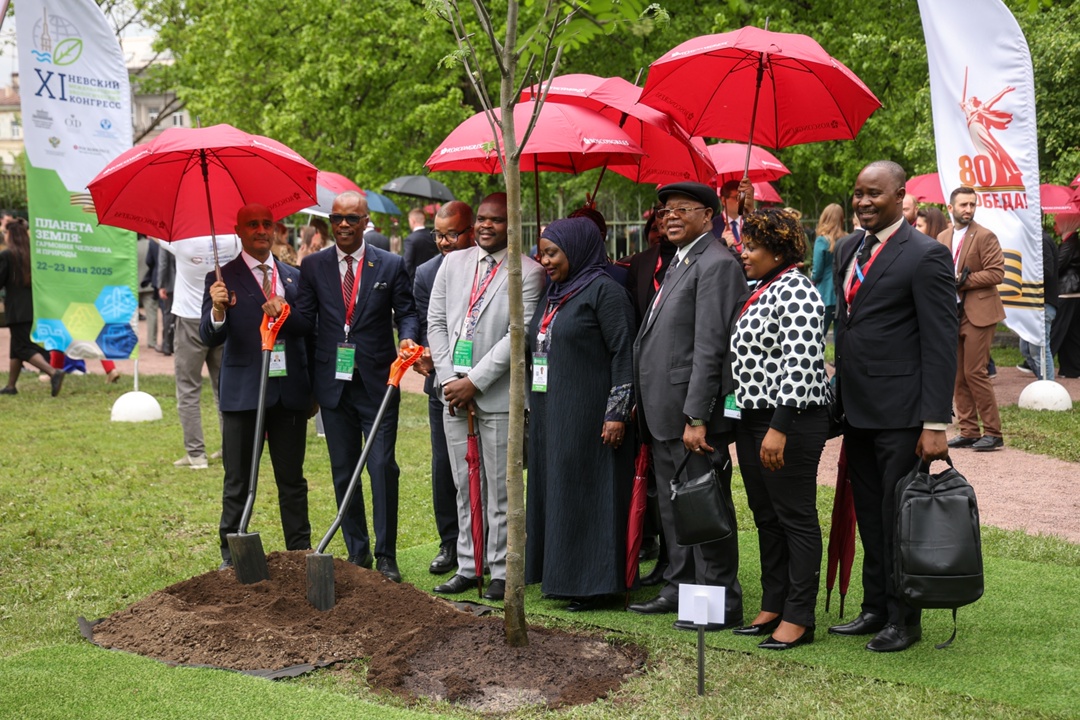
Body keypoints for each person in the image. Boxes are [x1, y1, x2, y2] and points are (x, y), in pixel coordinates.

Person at [829, 161, 957, 652]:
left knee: (898, 517)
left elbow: (941, 343)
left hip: (903, 417)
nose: (863, 201)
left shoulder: (924, 255)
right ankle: (875, 607)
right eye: (858, 193)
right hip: (856, 413)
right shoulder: (847, 248)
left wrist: (934, 422)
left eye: (874, 194)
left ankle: (905, 619)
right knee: (870, 514)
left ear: (901, 196)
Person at [629, 181, 748, 631]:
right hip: (662, 413)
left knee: (703, 507)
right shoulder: (680, 261)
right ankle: (679, 588)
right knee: (677, 508)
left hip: (691, 417)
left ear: (708, 215)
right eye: (665, 211)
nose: (670, 216)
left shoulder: (716, 264)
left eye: (682, 209)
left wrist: (697, 416)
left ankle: (717, 601)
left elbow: (711, 347)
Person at [294, 191, 419, 583]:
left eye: (351, 218)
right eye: (336, 218)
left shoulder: (391, 263)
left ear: (367, 222)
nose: (343, 225)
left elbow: (408, 312)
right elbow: (304, 322)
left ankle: (386, 557)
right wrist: (282, 311)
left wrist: (408, 338)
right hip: (333, 386)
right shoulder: (313, 266)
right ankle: (358, 552)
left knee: (382, 467)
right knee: (343, 470)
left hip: (378, 382)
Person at [427, 192, 545, 602]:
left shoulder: (528, 272)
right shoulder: (452, 263)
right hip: (452, 396)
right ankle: (467, 565)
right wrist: (448, 380)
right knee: (464, 486)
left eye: (495, 220)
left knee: (499, 489)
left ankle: (500, 569)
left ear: (512, 225)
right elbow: (437, 323)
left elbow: (520, 334)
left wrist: (473, 382)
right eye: (480, 219)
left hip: (497, 396)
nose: (485, 226)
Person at [730, 209, 831, 650]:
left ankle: (800, 616)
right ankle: (773, 602)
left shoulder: (798, 290)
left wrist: (779, 427)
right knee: (766, 516)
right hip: (753, 419)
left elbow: (801, 361)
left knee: (796, 517)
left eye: (751, 246)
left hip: (788, 421)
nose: (743, 251)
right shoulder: (762, 286)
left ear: (777, 250)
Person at [525, 217, 636, 610]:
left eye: (552, 252)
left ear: (577, 249)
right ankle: (561, 577)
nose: (545, 260)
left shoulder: (604, 292)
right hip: (550, 413)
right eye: (542, 252)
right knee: (559, 492)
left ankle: (595, 583)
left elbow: (625, 353)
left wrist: (617, 413)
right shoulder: (554, 293)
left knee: (590, 494)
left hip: (591, 416)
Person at [199, 204, 312, 570]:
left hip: (289, 391)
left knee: (292, 481)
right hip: (243, 393)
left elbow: (308, 327)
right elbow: (208, 335)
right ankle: (231, 556)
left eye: (267, 224)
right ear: (238, 230)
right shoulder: (220, 278)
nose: (261, 230)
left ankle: (300, 553)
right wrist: (218, 312)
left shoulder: (293, 277)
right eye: (253, 225)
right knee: (237, 481)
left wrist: (286, 313)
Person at [411, 200, 475, 575]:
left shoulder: (494, 270)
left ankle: (487, 543)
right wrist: (425, 354)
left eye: (452, 234)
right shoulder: (425, 273)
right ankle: (450, 542)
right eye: (439, 234)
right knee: (445, 467)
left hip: (485, 382)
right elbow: (423, 323)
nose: (445, 242)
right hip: (444, 386)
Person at [624, 207, 675, 584]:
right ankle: (655, 548)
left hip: (675, 389)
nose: (660, 231)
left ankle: (678, 564)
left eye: (665, 225)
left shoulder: (696, 263)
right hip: (643, 381)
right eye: (654, 226)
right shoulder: (639, 265)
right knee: (652, 477)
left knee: (679, 486)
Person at [159, 234, 241, 468]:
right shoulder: (233, 238)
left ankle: (196, 454)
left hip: (190, 319)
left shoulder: (180, 239)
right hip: (220, 317)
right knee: (225, 389)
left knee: (188, 389)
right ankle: (230, 450)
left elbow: (154, 230)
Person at [938, 186, 1005, 452]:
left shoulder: (985, 236)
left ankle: (993, 432)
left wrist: (961, 282)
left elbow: (996, 273)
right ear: (950, 208)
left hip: (980, 312)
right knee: (957, 375)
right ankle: (968, 430)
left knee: (974, 372)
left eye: (972, 205)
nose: (968, 209)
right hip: (951, 313)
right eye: (963, 205)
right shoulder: (942, 236)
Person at [0, 219, 64, 396]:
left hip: (17, 310)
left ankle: (53, 372)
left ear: (12, 235)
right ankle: (11, 386)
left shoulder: (7, 255)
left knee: (22, 347)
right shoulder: (32, 255)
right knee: (16, 348)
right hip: (33, 308)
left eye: (5, 233)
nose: (4, 236)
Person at [1018, 230, 1059, 379]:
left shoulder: (1043, 241)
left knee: (1040, 350)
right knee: (1027, 349)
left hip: (1043, 304)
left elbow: (1047, 271)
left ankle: (1048, 386)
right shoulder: (1036, 240)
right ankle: (1044, 383)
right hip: (1034, 304)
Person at [812, 203, 844, 339]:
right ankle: (839, 361)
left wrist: (812, 280)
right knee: (840, 336)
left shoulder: (821, 241)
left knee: (817, 336)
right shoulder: (847, 239)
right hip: (841, 293)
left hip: (824, 293)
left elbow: (817, 271)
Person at [1052, 230, 1080, 377]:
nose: (1056, 225)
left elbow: (1057, 266)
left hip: (1067, 291)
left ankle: (1038, 362)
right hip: (1073, 292)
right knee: (1071, 332)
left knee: (1056, 329)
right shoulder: (1070, 242)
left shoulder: (1069, 243)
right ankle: (1072, 368)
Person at [714, 178, 756, 255]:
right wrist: (722, 243)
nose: (740, 201)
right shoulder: (713, 226)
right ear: (723, 200)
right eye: (736, 197)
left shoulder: (750, 221)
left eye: (742, 197)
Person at [402, 208, 438, 283]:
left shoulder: (410, 239)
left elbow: (407, 263)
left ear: (412, 221)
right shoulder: (433, 236)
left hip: (417, 281)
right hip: (434, 278)